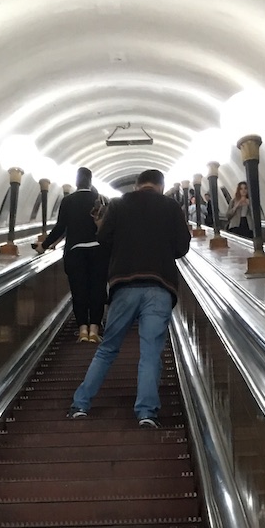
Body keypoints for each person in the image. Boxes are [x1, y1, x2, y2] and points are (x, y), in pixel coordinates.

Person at [67, 168, 191, 428]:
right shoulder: (171, 206)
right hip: (159, 285)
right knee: (150, 353)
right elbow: (182, 247)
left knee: (108, 348)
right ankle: (146, 413)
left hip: (124, 285)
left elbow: (103, 239)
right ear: (160, 185)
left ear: (137, 185)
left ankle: (80, 404)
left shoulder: (120, 204)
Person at [37, 167, 108, 343]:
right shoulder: (100, 200)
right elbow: (108, 228)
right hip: (98, 251)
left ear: (77, 182)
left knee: (79, 290)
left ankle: (82, 329)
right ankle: (94, 329)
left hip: (75, 252)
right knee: (97, 290)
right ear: (91, 181)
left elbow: (60, 228)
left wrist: (44, 246)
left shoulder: (68, 201)